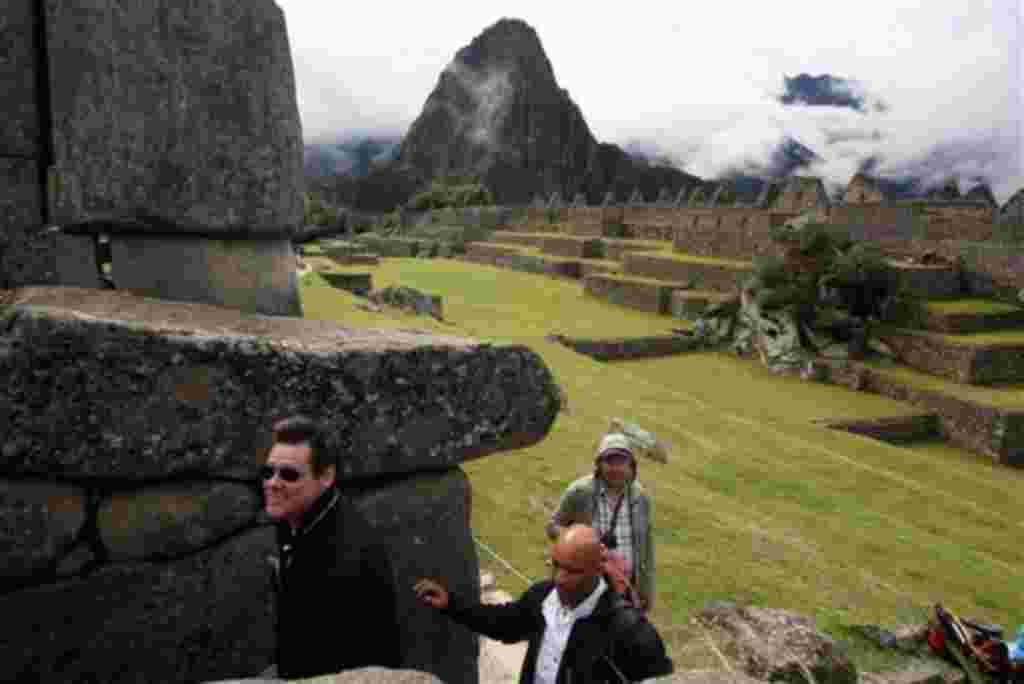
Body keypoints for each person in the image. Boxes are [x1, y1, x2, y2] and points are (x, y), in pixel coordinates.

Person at [415, 525, 672, 684]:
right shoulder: (542, 597)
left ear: (596, 569)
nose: (559, 579)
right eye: (556, 565)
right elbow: (505, 623)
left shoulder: (629, 629)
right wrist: (452, 604)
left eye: (572, 571)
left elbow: (662, 677)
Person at [262, 415, 401, 679]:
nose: (272, 483)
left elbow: (339, 660)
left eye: (289, 475)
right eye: (268, 472)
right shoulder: (295, 515)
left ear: (326, 476)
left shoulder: (345, 556)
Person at [545, 433, 655, 612]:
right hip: (585, 585)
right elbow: (552, 527)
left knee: (621, 639)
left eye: (621, 462)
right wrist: (581, 542)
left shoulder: (640, 498)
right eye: (609, 461)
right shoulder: (580, 492)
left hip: (625, 588)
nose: (615, 468)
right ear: (599, 464)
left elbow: (646, 550)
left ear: (631, 466)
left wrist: (645, 593)